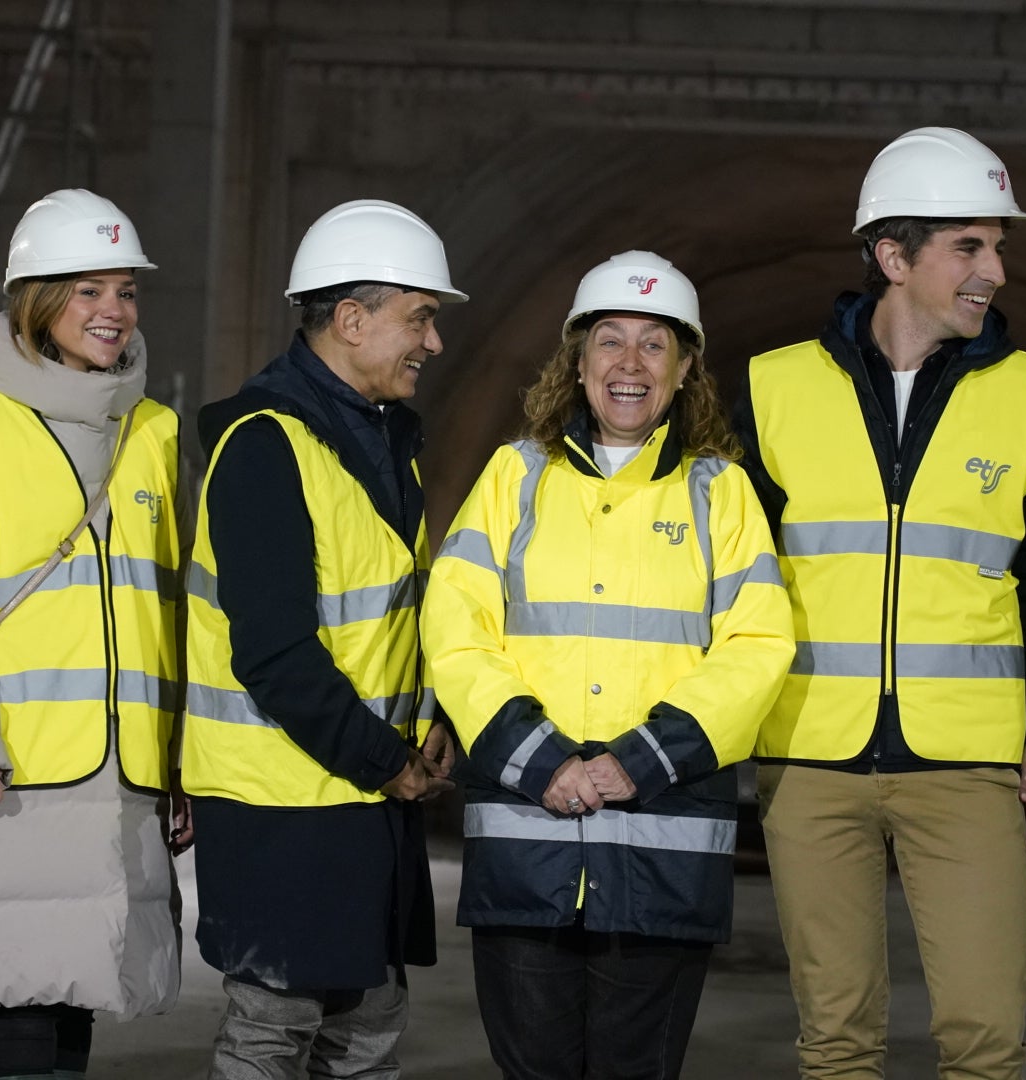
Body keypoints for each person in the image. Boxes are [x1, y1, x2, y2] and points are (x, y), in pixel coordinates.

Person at [735, 127, 1026, 1078]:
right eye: (970, 247)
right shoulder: (772, 388)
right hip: (808, 754)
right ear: (894, 257)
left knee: (985, 1040)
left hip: (970, 762)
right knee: (836, 1041)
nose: (996, 271)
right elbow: (732, 577)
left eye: (1000, 247)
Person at [422, 251, 794, 1079]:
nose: (631, 364)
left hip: (663, 851)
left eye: (655, 345)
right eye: (611, 342)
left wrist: (636, 763)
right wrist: (543, 762)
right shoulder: (514, 479)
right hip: (527, 841)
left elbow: (758, 647)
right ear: (578, 362)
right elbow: (455, 626)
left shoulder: (720, 493)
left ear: (687, 365)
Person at [0, 189, 187, 1080]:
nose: (113, 311)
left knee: (78, 1008)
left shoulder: (155, 434)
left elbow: (170, 618)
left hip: (123, 775)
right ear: (34, 301)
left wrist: (180, 765)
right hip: (13, 774)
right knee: (22, 1011)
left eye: (126, 292)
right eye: (87, 291)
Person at [184, 198, 462, 1079]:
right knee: (274, 1035)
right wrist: (387, 760)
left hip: (362, 798)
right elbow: (274, 652)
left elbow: (389, 621)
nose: (434, 342)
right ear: (351, 319)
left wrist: (431, 720)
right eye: (419, 317)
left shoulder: (380, 443)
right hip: (283, 807)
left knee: (364, 1034)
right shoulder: (266, 447)